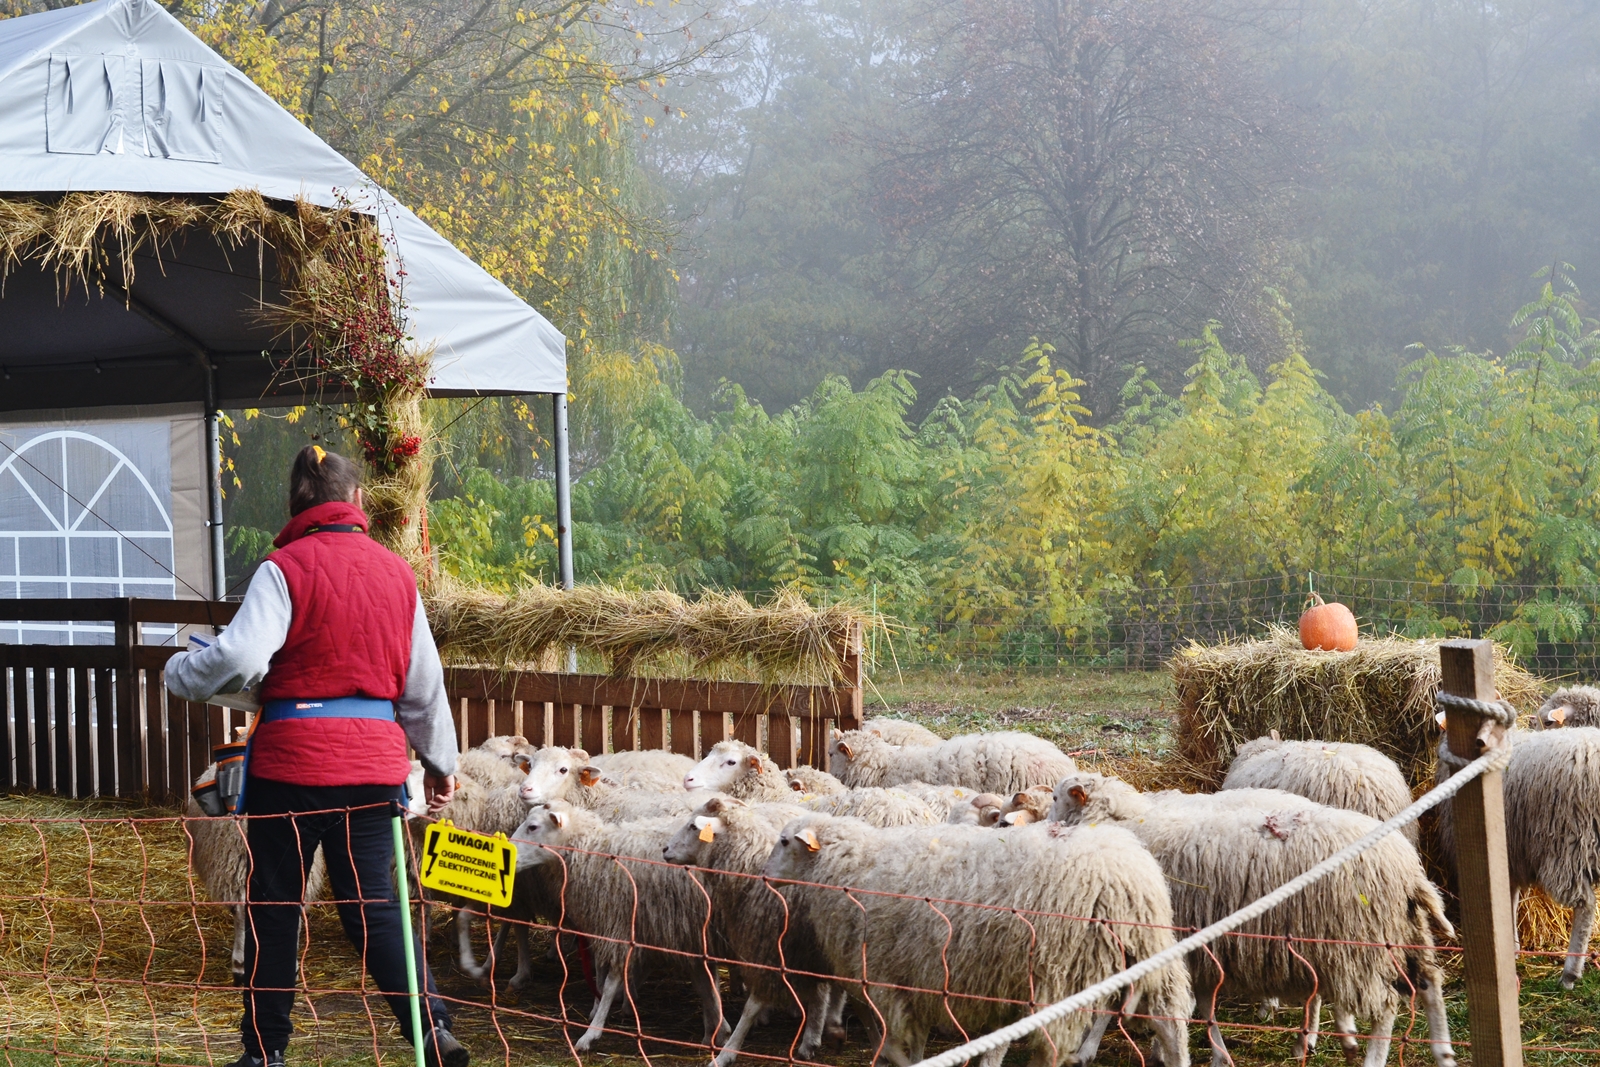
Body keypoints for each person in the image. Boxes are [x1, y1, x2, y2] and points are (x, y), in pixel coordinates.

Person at [167, 445, 469, 1067]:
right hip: (372, 774)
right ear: (356, 501)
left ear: (296, 504)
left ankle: (265, 1053)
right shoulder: (397, 575)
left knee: (274, 910)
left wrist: (183, 673)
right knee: (375, 912)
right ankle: (431, 1031)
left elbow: (243, 657)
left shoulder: (282, 569)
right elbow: (423, 686)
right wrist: (440, 765)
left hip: (292, 773)